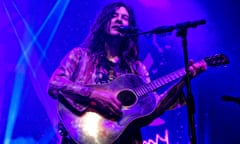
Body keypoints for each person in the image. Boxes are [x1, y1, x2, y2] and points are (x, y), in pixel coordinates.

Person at [47, 2, 207, 144]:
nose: (119, 20)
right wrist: (94, 95)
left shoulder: (137, 69)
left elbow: (152, 109)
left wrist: (182, 82)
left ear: (129, 27)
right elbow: (55, 84)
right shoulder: (80, 56)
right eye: (114, 15)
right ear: (103, 23)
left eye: (124, 18)